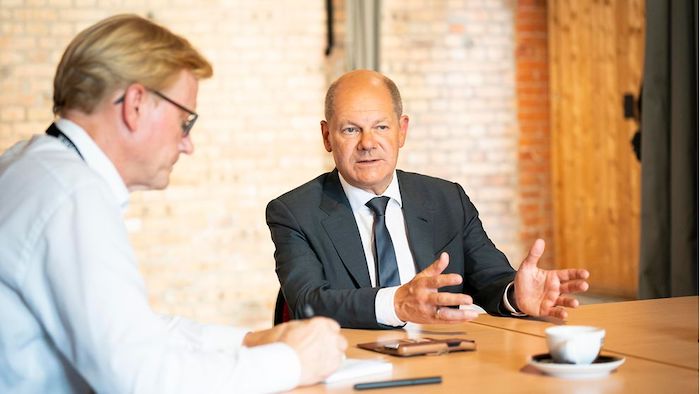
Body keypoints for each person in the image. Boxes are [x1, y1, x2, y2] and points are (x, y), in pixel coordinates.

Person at [0, 14, 346, 393]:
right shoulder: (73, 198)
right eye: (184, 121)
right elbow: (142, 379)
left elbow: (131, 329)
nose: (187, 143)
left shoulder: (29, 165)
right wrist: (293, 362)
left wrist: (248, 341)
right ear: (135, 105)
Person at [266, 69, 590, 329]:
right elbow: (309, 303)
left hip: (445, 363)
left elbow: (491, 280)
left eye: (381, 126)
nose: (368, 143)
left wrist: (515, 295)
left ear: (401, 131)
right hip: (351, 368)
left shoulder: (448, 200)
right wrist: (397, 304)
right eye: (351, 130)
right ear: (327, 136)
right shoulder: (295, 213)